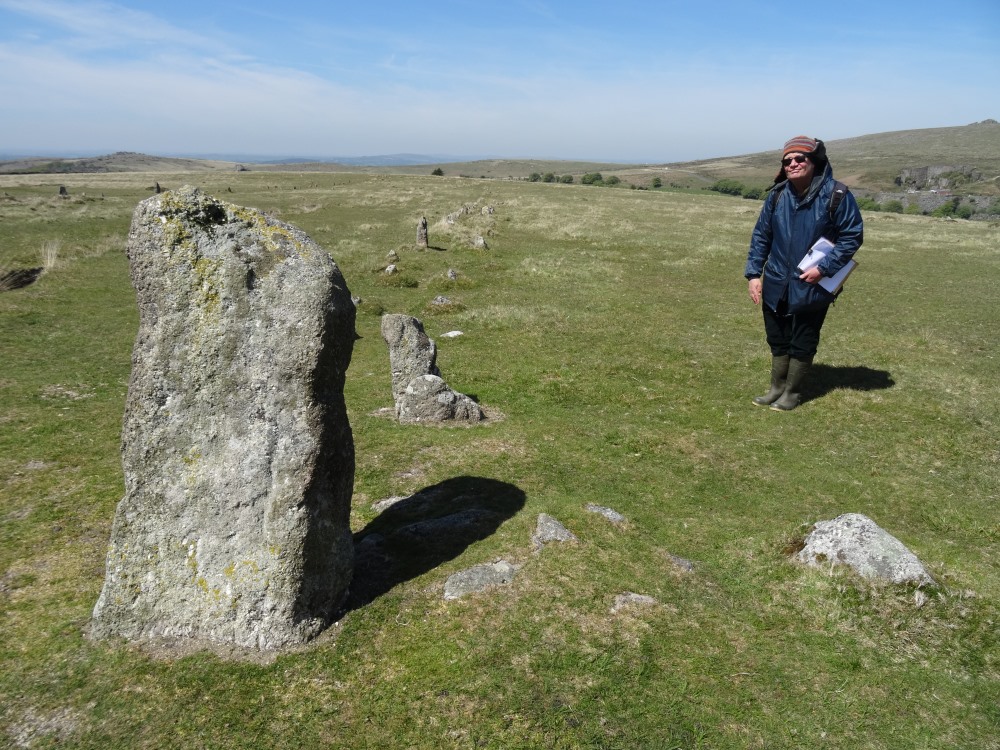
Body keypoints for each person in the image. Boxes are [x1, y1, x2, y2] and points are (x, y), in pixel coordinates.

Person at [744, 135, 863, 411]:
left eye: (800, 159)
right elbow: (761, 236)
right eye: (787, 160)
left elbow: (852, 236)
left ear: (814, 162)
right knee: (777, 335)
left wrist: (824, 269)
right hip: (776, 279)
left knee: (804, 337)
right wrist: (753, 274)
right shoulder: (776, 196)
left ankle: (793, 392)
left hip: (814, 282)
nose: (793, 164)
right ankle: (776, 388)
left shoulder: (838, 195)